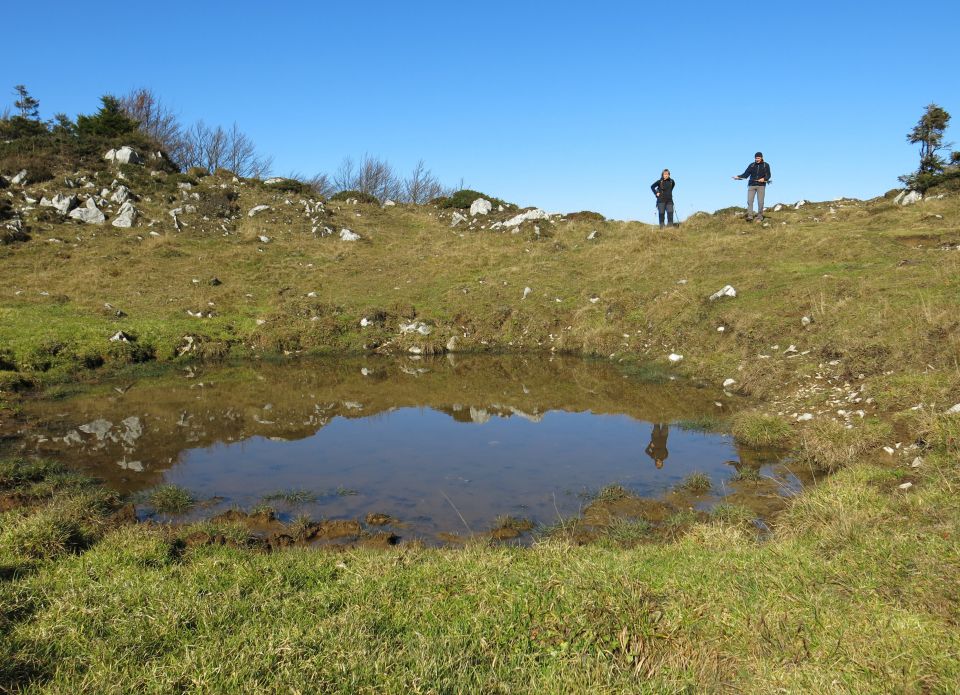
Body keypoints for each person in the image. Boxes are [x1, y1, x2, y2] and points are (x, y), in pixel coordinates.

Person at [732, 152, 772, 221]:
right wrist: (738, 177)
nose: (757, 159)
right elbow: (745, 175)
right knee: (749, 201)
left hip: (761, 186)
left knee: (760, 202)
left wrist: (764, 179)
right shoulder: (752, 165)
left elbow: (768, 175)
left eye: (758, 158)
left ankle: (760, 217)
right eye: (756, 158)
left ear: (762, 158)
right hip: (751, 185)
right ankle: (750, 217)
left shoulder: (766, 165)